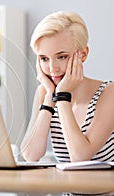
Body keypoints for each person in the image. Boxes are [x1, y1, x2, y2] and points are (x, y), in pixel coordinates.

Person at [21, 11, 114, 163]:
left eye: (61, 57)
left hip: (104, 187)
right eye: (44, 58)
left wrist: (63, 96)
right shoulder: (44, 92)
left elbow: (80, 157)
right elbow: (30, 155)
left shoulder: (109, 92)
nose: (52, 68)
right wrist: (50, 97)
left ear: (83, 54)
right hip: (67, 187)